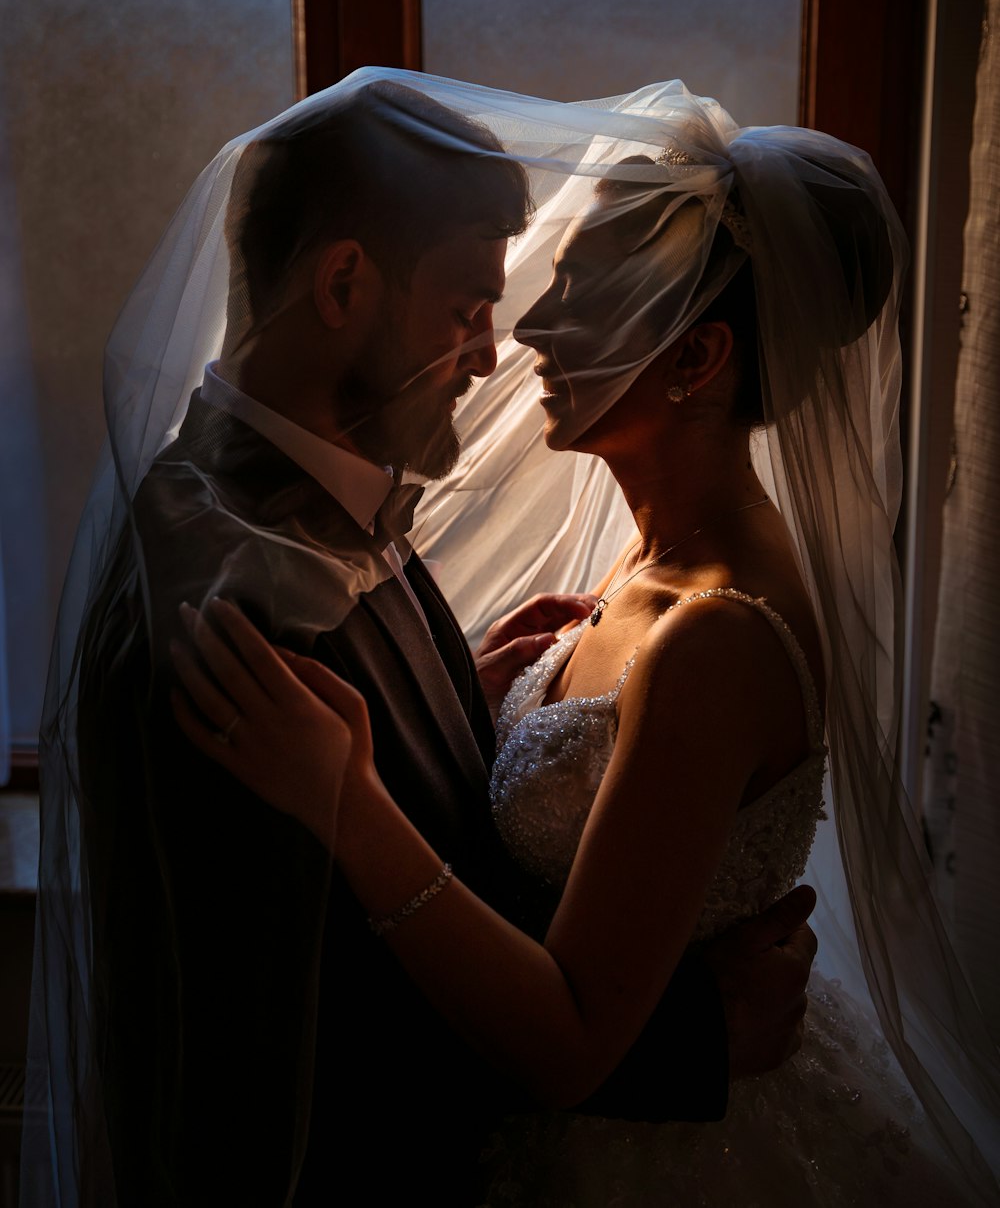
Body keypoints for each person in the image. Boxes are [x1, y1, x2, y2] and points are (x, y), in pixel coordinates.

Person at [172, 77, 1000, 1205]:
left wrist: (351, 802)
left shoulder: (713, 636)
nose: (528, 328)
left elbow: (570, 1037)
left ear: (696, 360)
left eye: (577, 290)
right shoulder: (647, 557)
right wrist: (480, 701)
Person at [22, 75, 818, 1208]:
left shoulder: (307, 507)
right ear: (344, 281)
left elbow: (404, 841)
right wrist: (684, 1033)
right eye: (465, 307)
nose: (494, 353)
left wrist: (471, 711)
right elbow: (301, 1028)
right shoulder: (234, 596)